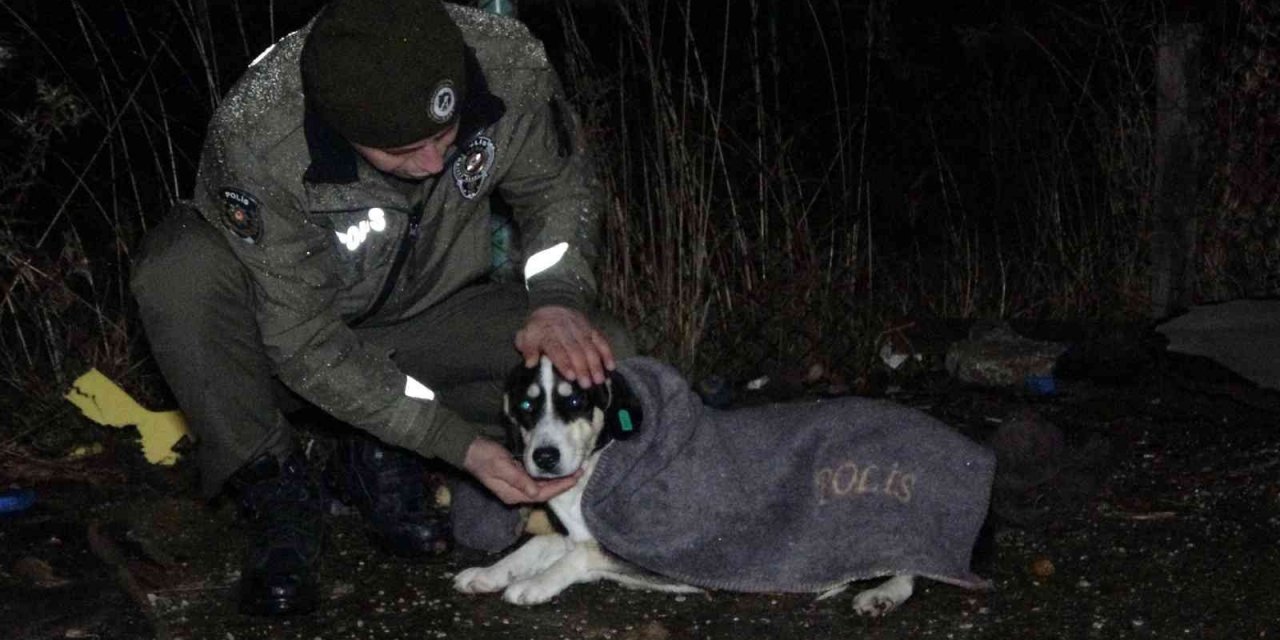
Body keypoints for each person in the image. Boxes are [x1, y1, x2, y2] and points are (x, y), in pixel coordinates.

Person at [131, 0, 628, 616]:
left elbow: (557, 189)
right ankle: (274, 481)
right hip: (291, 345)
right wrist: (453, 443)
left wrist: (557, 301)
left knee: (614, 359)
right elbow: (304, 340)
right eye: (405, 149)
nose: (434, 164)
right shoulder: (260, 134)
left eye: (447, 137)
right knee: (179, 269)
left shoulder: (508, 60)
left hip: (436, 312)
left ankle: (376, 446)